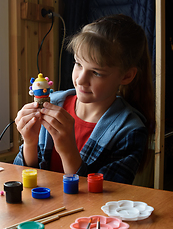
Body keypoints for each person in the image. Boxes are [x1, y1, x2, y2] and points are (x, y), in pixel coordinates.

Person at [13, 14, 155, 184]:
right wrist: (29, 142)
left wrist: (68, 151)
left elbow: (103, 199)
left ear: (126, 76)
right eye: (78, 64)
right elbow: (22, 181)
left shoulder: (129, 131)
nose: (80, 79)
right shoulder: (53, 103)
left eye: (96, 72)